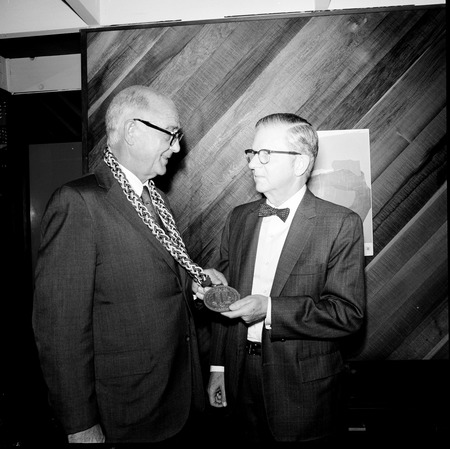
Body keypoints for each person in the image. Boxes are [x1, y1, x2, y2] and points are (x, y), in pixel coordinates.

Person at [32, 85, 225, 444]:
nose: (177, 147)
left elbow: (155, 284)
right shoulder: (79, 202)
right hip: (126, 413)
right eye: (172, 134)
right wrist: (80, 425)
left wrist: (195, 284)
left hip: (178, 402)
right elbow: (60, 329)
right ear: (133, 130)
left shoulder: (156, 199)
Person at [207, 113, 366, 445]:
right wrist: (207, 287)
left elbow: (347, 315)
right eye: (251, 153)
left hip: (301, 391)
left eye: (265, 154)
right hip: (236, 381)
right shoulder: (239, 218)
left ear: (300, 163)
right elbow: (222, 292)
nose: (252, 163)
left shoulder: (340, 224)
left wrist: (270, 310)